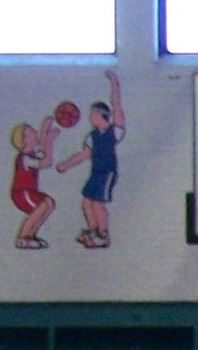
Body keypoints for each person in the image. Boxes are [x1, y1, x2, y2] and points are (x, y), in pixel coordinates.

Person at [56, 70, 124, 249]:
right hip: (95, 173)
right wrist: (66, 165)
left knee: (98, 204)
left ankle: (103, 234)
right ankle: (93, 230)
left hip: (107, 173)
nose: (90, 117)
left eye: (93, 114)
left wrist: (114, 82)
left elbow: (117, 105)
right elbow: (84, 155)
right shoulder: (92, 136)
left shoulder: (114, 131)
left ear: (101, 115)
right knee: (86, 202)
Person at [10, 114, 60, 249]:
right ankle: (23, 237)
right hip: (22, 193)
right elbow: (46, 162)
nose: (35, 133)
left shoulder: (32, 153)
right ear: (24, 140)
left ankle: (31, 235)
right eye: (31, 132)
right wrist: (48, 140)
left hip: (30, 191)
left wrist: (45, 131)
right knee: (41, 206)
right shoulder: (25, 158)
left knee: (49, 203)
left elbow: (42, 152)